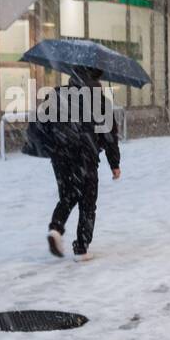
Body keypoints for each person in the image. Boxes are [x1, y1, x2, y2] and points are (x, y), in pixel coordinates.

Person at [45, 67, 120, 261]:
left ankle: (55, 229)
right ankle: (81, 247)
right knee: (87, 202)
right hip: (85, 156)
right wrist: (114, 163)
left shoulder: (58, 94)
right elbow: (110, 135)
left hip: (60, 157)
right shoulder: (100, 101)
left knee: (68, 195)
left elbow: (43, 123)